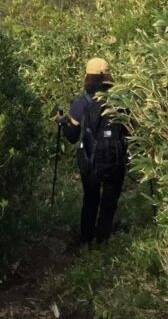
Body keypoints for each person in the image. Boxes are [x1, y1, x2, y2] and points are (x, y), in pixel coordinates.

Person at [56, 57, 127, 245]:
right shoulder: (120, 101)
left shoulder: (81, 103)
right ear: (108, 76)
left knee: (91, 198)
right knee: (109, 201)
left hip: (89, 161)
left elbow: (72, 136)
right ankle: (103, 240)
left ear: (87, 76)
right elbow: (128, 131)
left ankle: (86, 239)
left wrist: (63, 123)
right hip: (114, 160)